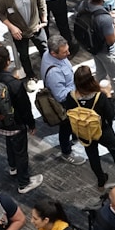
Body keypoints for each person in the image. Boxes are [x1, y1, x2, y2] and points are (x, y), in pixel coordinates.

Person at [64, 65, 115, 190]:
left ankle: (101, 180)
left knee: (92, 154)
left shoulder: (71, 96)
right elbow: (110, 115)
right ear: (91, 80)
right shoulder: (100, 97)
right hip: (102, 130)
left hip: (84, 132)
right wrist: (109, 95)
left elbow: (68, 112)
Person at [0, 45, 43, 192]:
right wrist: (31, 124)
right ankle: (24, 183)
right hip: (15, 125)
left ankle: (13, 167)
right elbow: (25, 108)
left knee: (9, 143)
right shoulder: (15, 84)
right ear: (8, 62)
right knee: (21, 152)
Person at [0, 0, 47, 91]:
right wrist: (11, 27)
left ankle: (49, 70)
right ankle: (31, 76)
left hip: (36, 27)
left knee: (45, 50)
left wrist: (44, 20)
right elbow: (0, 14)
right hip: (19, 33)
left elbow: (41, 2)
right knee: (23, 56)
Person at [39, 35, 86, 166]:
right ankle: (66, 152)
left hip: (71, 93)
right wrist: (78, 90)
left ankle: (76, 136)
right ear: (53, 53)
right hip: (65, 103)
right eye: (65, 52)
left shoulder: (49, 54)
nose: (69, 53)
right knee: (66, 127)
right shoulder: (54, 73)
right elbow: (60, 96)